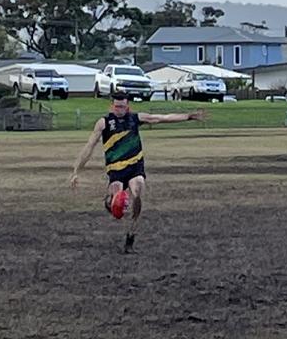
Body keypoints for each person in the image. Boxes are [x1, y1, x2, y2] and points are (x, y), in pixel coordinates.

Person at [70, 92, 206, 253]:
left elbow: (161, 118)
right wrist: (76, 171)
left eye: (122, 106)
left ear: (128, 106)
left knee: (138, 193)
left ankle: (130, 237)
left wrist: (188, 116)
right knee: (117, 198)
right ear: (111, 106)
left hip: (135, 167)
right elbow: (89, 146)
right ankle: (110, 200)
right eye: (116, 106)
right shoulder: (104, 123)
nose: (119, 109)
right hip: (116, 170)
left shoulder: (135, 118)